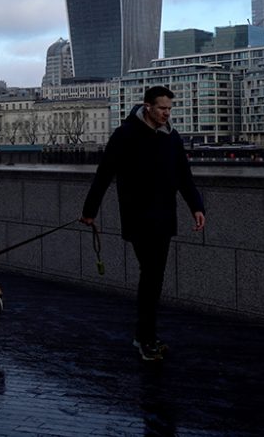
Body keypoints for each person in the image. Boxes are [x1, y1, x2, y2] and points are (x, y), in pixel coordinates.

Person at [79, 85, 205, 361]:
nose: (166, 114)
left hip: (164, 216)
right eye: (162, 108)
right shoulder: (125, 135)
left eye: (170, 109)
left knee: (154, 277)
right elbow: (104, 174)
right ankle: (145, 338)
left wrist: (196, 207)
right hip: (138, 217)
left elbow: (184, 176)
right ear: (147, 106)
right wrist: (90, 211)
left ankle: (144, 336)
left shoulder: (172, 138)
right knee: (150, 275)